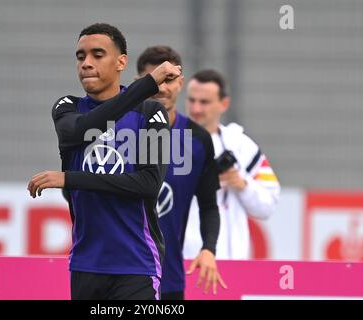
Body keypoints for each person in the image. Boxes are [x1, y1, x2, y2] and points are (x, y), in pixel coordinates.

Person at [27, 23, 182, 300]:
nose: (86, 63)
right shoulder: (67, 108)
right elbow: (85, 128)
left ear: (121, 61)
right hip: (86, 264)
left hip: (136, 263)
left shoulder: (150, 112)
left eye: (97, 55)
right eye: (80, 56)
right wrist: (147, 84)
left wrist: (70, 178)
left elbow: (148, 184)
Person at [136, 46, 226, 300]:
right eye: (152, 80)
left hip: (169, 277)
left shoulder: (198, 140)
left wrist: (209, 248)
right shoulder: (118, 131)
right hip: (119, 273)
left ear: (181, 83)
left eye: (169, 79)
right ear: (138, 83)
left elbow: (209, 206)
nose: (161, 88)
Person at [183, 69, 281, 260]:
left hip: (231, 264)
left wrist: (241, 183)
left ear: (224, 104)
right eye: (191, 100)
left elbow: (268, 205)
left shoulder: (242, 146)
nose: (196, 109)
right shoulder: (171, 140)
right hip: (182, 262)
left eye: (204, 102)